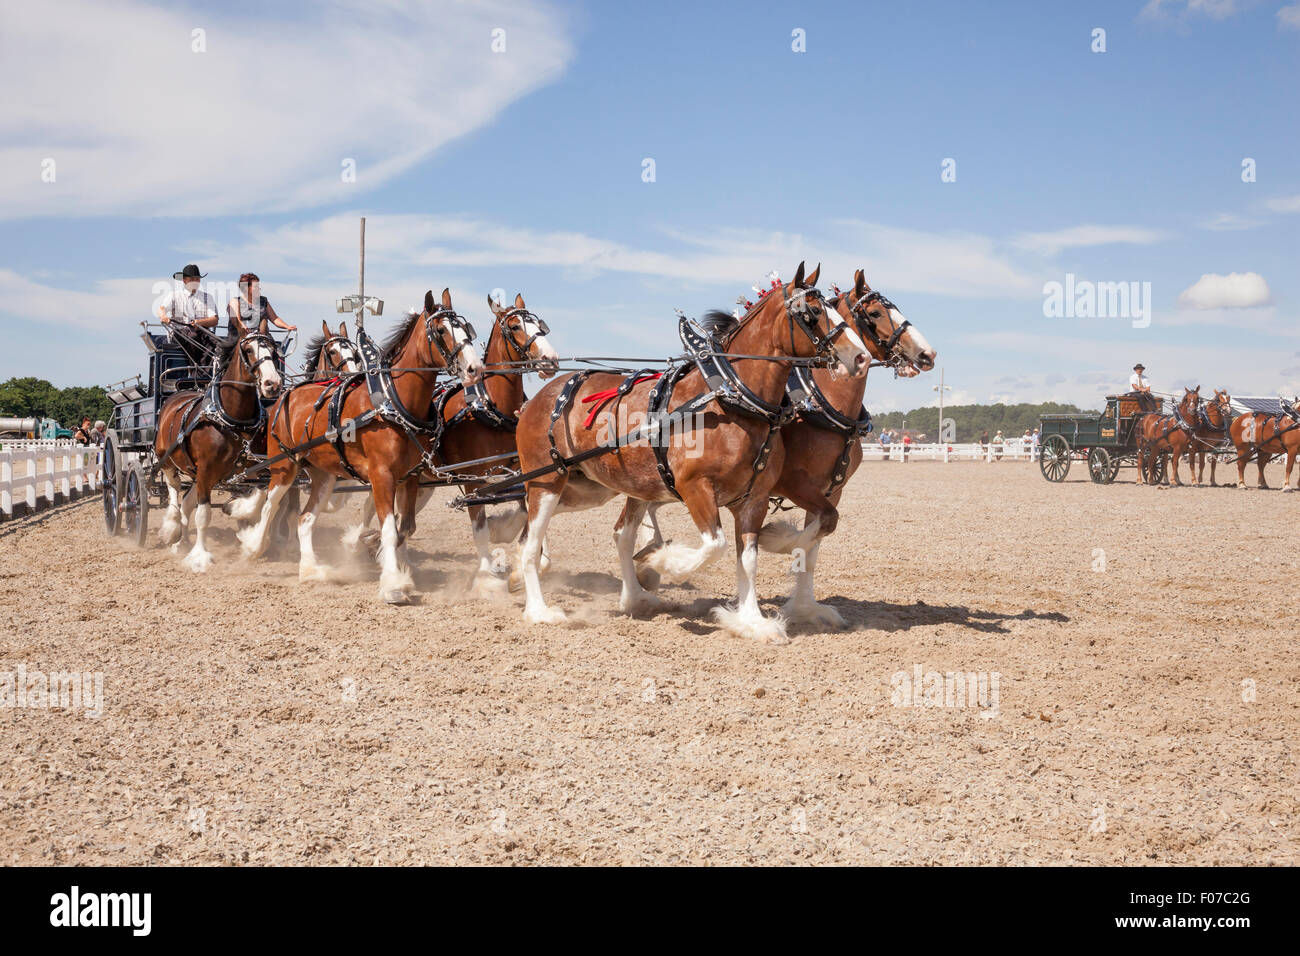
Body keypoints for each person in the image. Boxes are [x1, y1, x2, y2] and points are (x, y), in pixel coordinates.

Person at [158, 264, 220, 373]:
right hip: (179, 332)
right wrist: (163, 316)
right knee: (193, 336)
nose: (195, 282)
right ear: (185, 280)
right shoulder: (174, 295)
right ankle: (196, 372)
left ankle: (211, 374)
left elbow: (214, 320)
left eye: (197, 279)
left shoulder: (207, 297)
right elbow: (161, 308)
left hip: (202, 331)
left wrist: (199, 323)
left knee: (217, 343)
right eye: (192, 279)